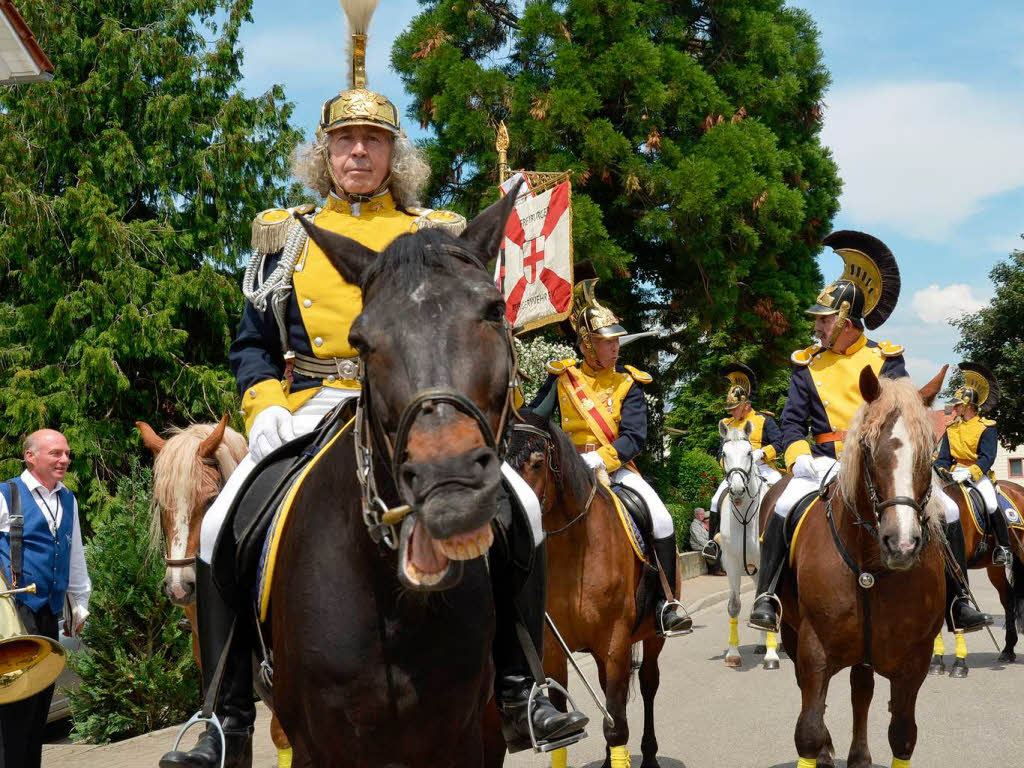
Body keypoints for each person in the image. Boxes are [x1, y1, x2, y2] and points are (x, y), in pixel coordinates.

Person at [159, 5, 584, 766]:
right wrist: (263, 414)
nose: (359, 152)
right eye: (346, 140)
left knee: (516, 503)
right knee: (225, 520)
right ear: (324, 152)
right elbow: (253, 346)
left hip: (417, 404)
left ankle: (521, 685)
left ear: (395, 154)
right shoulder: (280, 235)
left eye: (374, 140)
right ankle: (225, 719)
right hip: (312, 406)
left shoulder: (437, 233)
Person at [746, 231, 990, 634]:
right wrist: (797, 455)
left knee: (945, 509)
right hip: (824, 463)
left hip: (881, 462)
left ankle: (959, 598)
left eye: (823, 320)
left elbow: (907, 413)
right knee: (784, 506)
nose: (818, 327)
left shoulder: (885, 358)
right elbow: (791, 423)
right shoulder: (806, 365)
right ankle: (768, 596)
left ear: (844, 319)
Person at [529, 278, 691, 636]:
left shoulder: (628, 383)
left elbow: (635, 437)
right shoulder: (563, 378)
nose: (616, 347)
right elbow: (533, 418)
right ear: (587, 345)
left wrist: (601, 459)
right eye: (607, 342)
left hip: (615, 470)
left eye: (616, 340)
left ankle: (667, 603)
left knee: (662, 519)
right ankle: (524, 600)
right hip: (565, 471)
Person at [0, 429, 90, 768]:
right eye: (55, 453)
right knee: (12, 710)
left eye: (67, 453)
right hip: (13, 614)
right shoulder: (6, 494)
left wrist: (80, 602)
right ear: (30, 456)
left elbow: (74, 554)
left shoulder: (68, 498)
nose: (64, 459)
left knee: (39, 707)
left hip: (49, 612)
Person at [935, 363, 1011, 567]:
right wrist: (941, 471)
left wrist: (970, 472)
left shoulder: (986, 427)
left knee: (991, 503)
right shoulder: (951, 428)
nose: (956, 408)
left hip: (977, 474)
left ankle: (1004, 547)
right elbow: (943, 457)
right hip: (954, 474)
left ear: (969, 405)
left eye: (959, 404)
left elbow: (987, 457)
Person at [708, 363, 783, 520]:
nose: (731, 412)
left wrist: (762, 453)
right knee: (715, 502)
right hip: (736, 469)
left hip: (763, 467)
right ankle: (713, 541)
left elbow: (779, 443)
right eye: (730, 409)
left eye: (735, 408)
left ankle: (782, 541)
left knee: (781, 498)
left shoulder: (764, 420)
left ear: (746, 405)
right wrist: (729, 465)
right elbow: (720, 453)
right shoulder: (727, 425)